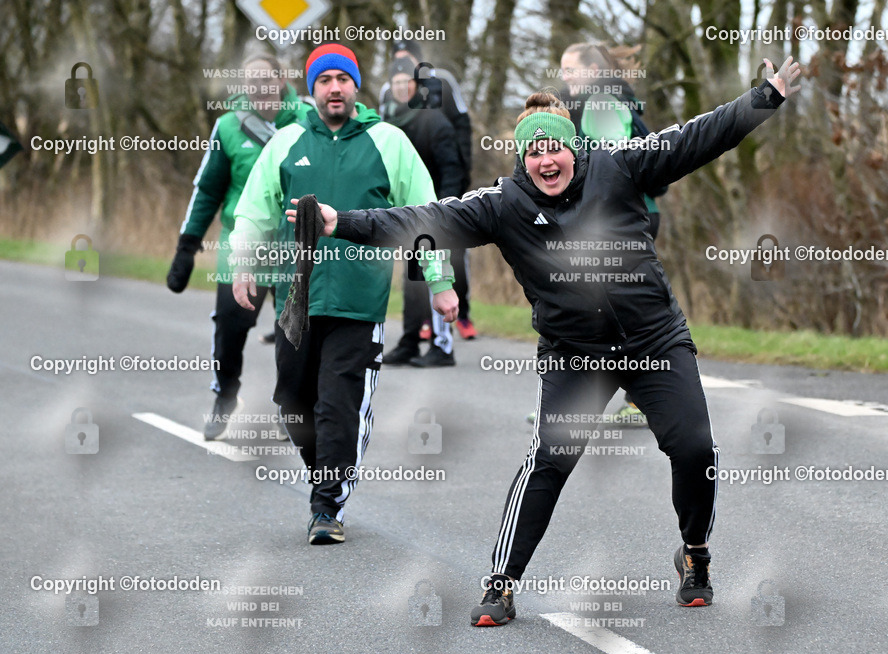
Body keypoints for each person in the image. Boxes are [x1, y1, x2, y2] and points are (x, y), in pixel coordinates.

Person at [286, 57, 802, 623]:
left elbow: (701, 138)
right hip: (575, 355)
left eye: (553, 149)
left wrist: (766, 95)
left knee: (695, 450)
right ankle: (501, 583)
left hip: (654, 341)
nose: (544, 161)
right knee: (549, 461)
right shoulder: (503, 205)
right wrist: (340, 222)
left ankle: (695, 555)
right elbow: (417, 218)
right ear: (521, 157)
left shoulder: (619, 167)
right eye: (533, 153)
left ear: (572, 149)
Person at [229, 44, 457, 545]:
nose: (335, 87)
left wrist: (439, 282)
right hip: (297, 298)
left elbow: (426, 217)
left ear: (356, 87)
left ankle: (327, 504)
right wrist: (242, 262)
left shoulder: (388, 141)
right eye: (325, 79)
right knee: (292, 398)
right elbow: (253, 212)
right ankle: (324, 475)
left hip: (359, 301)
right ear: (312, 90)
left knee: (338, 403)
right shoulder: (286, 140)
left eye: (343, 79)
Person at [167, 54, 312, 441]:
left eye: (266, 80)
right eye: (252, 82)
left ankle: (289, 406)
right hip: (242, 245)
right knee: (230, 326)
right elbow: (209, 189)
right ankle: (225, 394)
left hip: (294, 245)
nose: (260, 89)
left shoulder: (307, 121)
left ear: (281, 81)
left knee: (292, 329)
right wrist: (187, 246)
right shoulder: (228, 127)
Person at [559, 42, 668, 428]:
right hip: (617, 220)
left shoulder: (601, 103)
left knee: (616, 309)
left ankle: (641, 398)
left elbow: (617, 168)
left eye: (571, 69)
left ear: (592, 70)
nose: (565, 77)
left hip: (619, 221)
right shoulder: (600, 99)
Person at [380, 38, 477, 340]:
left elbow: (461, 125)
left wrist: (460, 179)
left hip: (447, 177)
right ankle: (422, 323)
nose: (403, 64)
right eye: (398, 59)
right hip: (410, 185)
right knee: (415, 254)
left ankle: (461, 313)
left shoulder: (444, 83)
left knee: (452, 251)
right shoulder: (388, 92)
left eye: (408, 59)